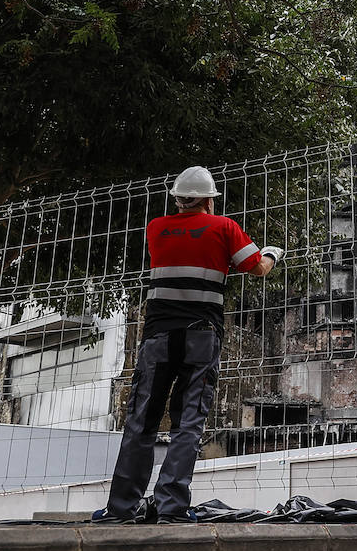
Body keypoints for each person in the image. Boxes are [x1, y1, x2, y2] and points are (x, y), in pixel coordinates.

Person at [94, 165, 282, 524]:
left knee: (142, 421)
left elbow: (186, 247)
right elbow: (256, 267)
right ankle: (171, 508)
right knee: (188, 422)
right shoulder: (224, 227)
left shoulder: (156, 229)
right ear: (210, 200)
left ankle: (120, 509)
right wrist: (273, 253)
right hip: (201, 336)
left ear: (178, 200)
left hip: (158, 337)